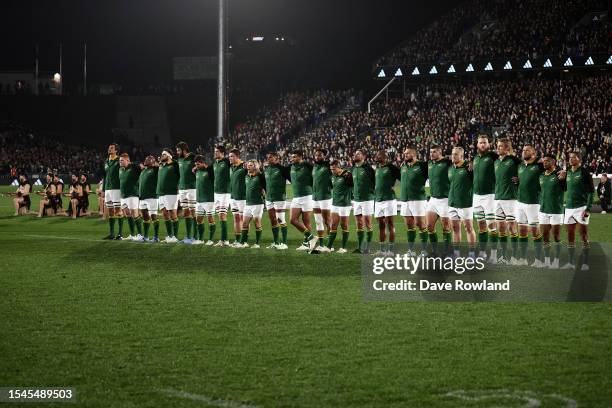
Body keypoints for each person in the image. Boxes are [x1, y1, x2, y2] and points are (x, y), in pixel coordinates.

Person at [560, 151, 594, 270]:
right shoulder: (568, 172)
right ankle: (571, 262)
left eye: (573, 158)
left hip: (581, 207)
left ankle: (585, 263)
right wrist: (561, 179)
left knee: (583, 235)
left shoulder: (585, 172)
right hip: (568, 207)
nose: (570, 160)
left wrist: (588, 208)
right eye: (569, 158)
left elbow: (591, 192)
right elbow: (564, 188)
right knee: (570, 235)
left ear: (579, 159)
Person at [493, 138, 522, 265]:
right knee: (501, 228)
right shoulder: (496, 161)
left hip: (510, 198)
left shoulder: (514, 160)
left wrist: (520, 179)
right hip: (497, 198)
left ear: (507, 148)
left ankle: (515, 256)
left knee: (511, 227)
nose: (498, 148)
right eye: (497, 146)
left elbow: (526, 168)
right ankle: (503, 257)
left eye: (500, 146)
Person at [516, 144, 545, 267]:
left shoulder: (540, 166)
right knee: (522, 231)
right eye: (523, 150)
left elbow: (554, 169)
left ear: (533, 153)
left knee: (535, 231)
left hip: (534, 203)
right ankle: (522, 259)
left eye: (527, 150)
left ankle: (539, 260)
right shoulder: (521, 166)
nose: (524, 152)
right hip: (520, 202)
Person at [472, 135, 498, 261]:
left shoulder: (493, 156)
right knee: (481, 225)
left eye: (485, 143)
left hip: (490, 196)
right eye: (480, 142)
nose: (482, 144)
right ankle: (482, 253)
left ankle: (494, 255)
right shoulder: (476, 158)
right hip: (476, 196)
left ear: (489, 144)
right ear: (477, 145)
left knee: (491, 225)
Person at [399, 146, 429, 256]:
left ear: (414, 154)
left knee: (421, 224)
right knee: (409, 225)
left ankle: (424, 251)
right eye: (404, 153)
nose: (405, 155)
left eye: (407, 153)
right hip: (405, 200)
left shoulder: (422, 165)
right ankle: (410, 251)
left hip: (418, 199)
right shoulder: (403, 166)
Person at [538, 154, 566, 269]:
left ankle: (557, 260)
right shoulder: (541, 176)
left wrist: (564, 177)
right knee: (545, 236)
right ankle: (547, 260)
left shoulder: (559, 175)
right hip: (543, 210)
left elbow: (565, 188)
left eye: (547, 161)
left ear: (553, 162)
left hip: (556, 210)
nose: (544, 163)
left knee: (556, 236)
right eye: (544, 161)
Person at [448, 147, 476, 258]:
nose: (453, 156)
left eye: (456, 154)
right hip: (452, 203)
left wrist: (473, 165)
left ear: (461, 156)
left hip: (465, 204)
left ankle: (472, 254)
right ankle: (456, 253)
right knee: (455, 229)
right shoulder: (450, 169)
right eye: (452, 154)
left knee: (468, 228)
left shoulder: (468, 168)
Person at [289, 150, 318, 252]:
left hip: (308, 196)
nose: (292, 159)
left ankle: (306, 243)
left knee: (306, 221)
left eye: (295, 157)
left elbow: (315, 175)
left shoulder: (307, 165)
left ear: (301, 157)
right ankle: (311, 237)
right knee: (292, 220)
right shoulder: (291, 167)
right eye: (292, 157)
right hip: (296, 197)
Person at [426, 145, 452, 255]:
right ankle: (434, 250)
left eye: (434, 152)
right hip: (433, 199)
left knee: (446, 226)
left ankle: (447, 251)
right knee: (429, 226)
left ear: (440, 152)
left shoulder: (447, 163)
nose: (432, 154)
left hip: (445, 200)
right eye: (431, 152)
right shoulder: (430, 164)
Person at [373, 150, 400, 255]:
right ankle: (381, 249)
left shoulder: (391, 167)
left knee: (390, 224)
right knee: (380, 225)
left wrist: (392, 185)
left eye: (379, 155)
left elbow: (402, 177)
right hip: (378, 200)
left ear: (385, 157)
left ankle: (391, 250)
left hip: (389, 199)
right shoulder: (378, 168)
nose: (376, 156)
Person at [264, 152, 290, 249]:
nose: (268, 159)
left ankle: (284, 243)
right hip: (269, 198)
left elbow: (292, 180)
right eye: (268, 157)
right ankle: (276, 242)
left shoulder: (282, 169)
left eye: (271, 157)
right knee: (272, 220)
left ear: (276, 158)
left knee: (280, 219)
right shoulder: (266, 169)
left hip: (279, 198)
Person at [237, 160, 266, 248]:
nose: (248, 167)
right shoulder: (246, 176)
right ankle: (243, 243)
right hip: (248, 204)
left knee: (257, 223)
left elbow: (265, 187)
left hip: (257, 203)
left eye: (250, 165)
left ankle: (257, 243)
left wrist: (264, 195)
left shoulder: (260, 176)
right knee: (245, 223)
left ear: (255, 166)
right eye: (248, 165)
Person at [351, 149, 375, 254]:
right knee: (359, 224)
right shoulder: (353, 169)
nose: (356, 155)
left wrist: (371, 192)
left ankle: (368, 248)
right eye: (355, 154)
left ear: (363, 156)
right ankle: (360, 247)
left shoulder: (368, 168)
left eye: (358, 154)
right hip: (356, 200)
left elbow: (375, 182)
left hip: (367, 199)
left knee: (368, 223)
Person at [327, 160, 353, 253]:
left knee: (344, 225)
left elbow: (353, 186)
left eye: (334, 169)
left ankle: (343, 247)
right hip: (335, 204)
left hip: (344, 204)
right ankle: (328, 247)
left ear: (339, 167)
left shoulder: (347, 175)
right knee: (333, 225)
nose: (332, 171)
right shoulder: (333, 176)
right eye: (331, 169)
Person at [157, 148, 180, 243]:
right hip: (160, 193)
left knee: (173, 214)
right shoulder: (161, 166)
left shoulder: (175, 165)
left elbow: (180, 176)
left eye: (164, 154)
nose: (162, 156)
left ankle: (175, 237)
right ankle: (170, 236)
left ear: (169, 156)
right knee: (165, 214)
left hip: (171, 192)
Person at [176, 141, 197, 243]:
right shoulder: (179, 159)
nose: (177, 152)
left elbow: (201, 164)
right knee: (186, 212)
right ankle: (188, 236)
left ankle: (196, 236)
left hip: (191, 187)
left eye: (178, 150)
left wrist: (196, 168)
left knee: (193, 212)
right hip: (182, 188)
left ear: (184, 149)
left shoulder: (193, 157)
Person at [312, 148, 333, 252]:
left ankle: (330, 245)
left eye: (319, 155)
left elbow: (336, 175)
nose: (317, 157)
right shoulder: (315, 167)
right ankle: (321, 244)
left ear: (324, 156)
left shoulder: (328, 165)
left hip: (325, 197)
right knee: (318, 221)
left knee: (327, 221)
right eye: (316, 155)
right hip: (315, 197)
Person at [193, 155, 216, 245]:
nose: (196, 166)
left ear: (203, 163)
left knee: (210, 219)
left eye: (198, 164)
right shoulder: (197, 172)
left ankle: (210, 240)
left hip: (209, 199)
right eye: (195, 164)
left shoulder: (210, 171)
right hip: (199, 200)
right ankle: (200, 239)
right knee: (199, 219)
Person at [119, 153, 142, 241]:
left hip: (132, 194)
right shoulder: (120, 169)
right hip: (123, 196)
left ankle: (140, 235)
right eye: (120, 160)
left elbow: (141, 167)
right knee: (128, 215)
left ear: (128, 160)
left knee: (135, 214)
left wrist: (135, 163)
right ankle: (132, 234)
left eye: (122, 160)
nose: (120, 162)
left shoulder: (133, 167)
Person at [138, 155, 160, 242]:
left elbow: (160, 167)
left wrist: (157, 165)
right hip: (142, 197)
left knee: (153, 216)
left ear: (152, 161)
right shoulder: (143, 171)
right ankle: (146, 237)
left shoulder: (155, 170)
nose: (146, 160)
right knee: (145, 217)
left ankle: (156, 237)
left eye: (148, 159)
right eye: (146, 159)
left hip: (152, 197)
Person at [213, 145, 231, 246]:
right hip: (216, 193)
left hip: (225, 193)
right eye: (215, 152)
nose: (215, 153)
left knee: (223, 216)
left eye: (217, 152)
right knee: (220, 216)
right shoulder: (215, 163)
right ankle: (223, 239)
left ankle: (225, 240)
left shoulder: (227, 162)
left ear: (222, 153)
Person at [103, 143, 122, 239]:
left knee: (118, 211)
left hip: (116, 188)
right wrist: (103, 189)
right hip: (107, 188)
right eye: (109, 147)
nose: (109, 149)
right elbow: (105, 175)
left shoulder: (119, 160)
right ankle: (111, 233)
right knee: (110, 211)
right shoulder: (106, 161)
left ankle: (120, 234)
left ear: (116, 150)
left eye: (111, 148)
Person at [229, 149, 247, 247]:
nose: (230, 158)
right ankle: (237, 240)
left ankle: (244, 241)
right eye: (229, 156)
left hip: (242, 197)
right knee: (236, 218)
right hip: (233, 197)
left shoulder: (244, 166)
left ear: (237, 156)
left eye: (231, 156)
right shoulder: (231, 167)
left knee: (243, 219)